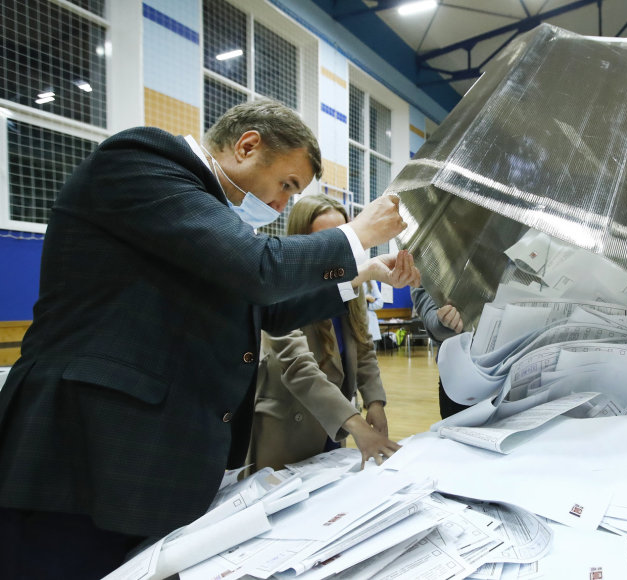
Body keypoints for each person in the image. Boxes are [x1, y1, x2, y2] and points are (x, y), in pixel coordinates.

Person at [0, 100, 416, 579]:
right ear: (247, 145)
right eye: (287, 184)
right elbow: (257, 268)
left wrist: (358, 276)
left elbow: (269, 309)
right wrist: (355, 234)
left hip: (151, 458)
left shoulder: (212, 222)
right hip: (84, 446)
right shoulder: (142, 160)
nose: (283, 204)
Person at [247, 195, 403, 472]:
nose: (333, 249)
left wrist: (375, 402)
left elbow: (363, 347)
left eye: (341, 237)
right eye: (324, 239)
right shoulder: (281, 289)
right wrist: (356, 423)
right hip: (288, 430)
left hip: (335, 425)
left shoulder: (349, 284)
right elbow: (298, 368)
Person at [411, 285, 467, 418]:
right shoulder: (423, 267)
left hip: (517, 371)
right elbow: (430, 315)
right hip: (461, 377)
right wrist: (444, 321)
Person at [365, 280, 385, 347]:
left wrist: (366, 305)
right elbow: (351, 302)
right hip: (354, 329)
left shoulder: (371, 281)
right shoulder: (349, 279)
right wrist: (366, 298)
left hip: (371, 328)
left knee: (372, 356)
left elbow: (379, 303)